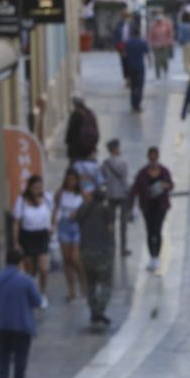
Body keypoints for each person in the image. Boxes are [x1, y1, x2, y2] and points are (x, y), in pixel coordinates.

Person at [0, 250, 43, 378]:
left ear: (6, 261)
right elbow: (37, 301)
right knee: (20, 358)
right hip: (21, 325)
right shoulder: (26, 280)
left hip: (1, 325)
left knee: (3, 355)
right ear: (21, 262)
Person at [78, 176, 119, 327]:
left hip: (86, 250)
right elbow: (110, 228)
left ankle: (94, 312)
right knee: (106, 283)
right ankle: (100, 311)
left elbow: (76, 220)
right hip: (103, 251)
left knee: (91, 283)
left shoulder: (83, 208)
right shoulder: (107, 210)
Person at [130, 148, 175, 272]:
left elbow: (171, 184)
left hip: (161, 206)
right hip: (147, 206)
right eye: (151, 156)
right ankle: (152, 256)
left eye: (155, 156)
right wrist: (132, 206)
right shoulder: (143, 173)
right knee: (150, 230)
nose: (153, 159)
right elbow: (135, 189)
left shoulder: (164, 171)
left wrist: (165, 185)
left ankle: (157, 256)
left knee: (157, 229)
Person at [12, 175, 53, 298]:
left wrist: (53, 226)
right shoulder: (21, 201)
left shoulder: (47, 198)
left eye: (40, 187)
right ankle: (31, 290)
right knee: (29, 268)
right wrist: (16, 242)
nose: (38, 189)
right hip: (27, 236)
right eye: (35, 187)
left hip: (42, 235)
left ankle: (42, 292)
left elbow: (53, 213)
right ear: (29, 188)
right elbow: (16, 223)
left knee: (44, 267)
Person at [53, 170, 86, 302]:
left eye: (74, 179)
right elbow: (56, 206)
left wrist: (78, 213)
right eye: (69, 179)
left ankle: (83, 283)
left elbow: (85, 207)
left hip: (77, 225)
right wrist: (53, 221)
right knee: (67, 259)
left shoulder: (81, 194)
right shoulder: (61, 193)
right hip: (64, 224)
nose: (71, 182)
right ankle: (71, 289)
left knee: (75, 258)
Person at [100, 140, 133, 258]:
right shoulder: (123, 162)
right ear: (116, 149)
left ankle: (112, 247)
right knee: (123, 223)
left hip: (111, 195)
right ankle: (123, 248)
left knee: (110, 222)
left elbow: (102, 177)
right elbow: (124, 179)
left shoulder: (105, 163)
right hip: (123, 195)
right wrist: (129, 192)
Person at [119, 26, 149, 111]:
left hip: (131, 66)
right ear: (139, 34)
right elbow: (147, 52)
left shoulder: (127, 43)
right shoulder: (142, 42)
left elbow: (124, 54)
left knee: (133, 86)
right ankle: (137, 104)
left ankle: (133, 104)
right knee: (139, 86)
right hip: (140, 66)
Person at [65, 98, 99, 163]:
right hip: (89, 149)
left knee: (74, 170)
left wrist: (67, 141)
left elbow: (70, 132)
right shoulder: (90, 113)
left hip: (76, 151)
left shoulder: (75, 114)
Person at [147, 13, 174, 80]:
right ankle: (157, 74)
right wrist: (151, 43)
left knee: (164, 59)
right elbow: (150, 36)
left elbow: (170, 35)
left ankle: (165, 70)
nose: (158, 21)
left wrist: (169, 42)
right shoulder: (153, 26)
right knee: (157, 60)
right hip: (156, 46)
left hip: (165, 45)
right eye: (157, 20)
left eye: (159, 20)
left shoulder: (166, 25)